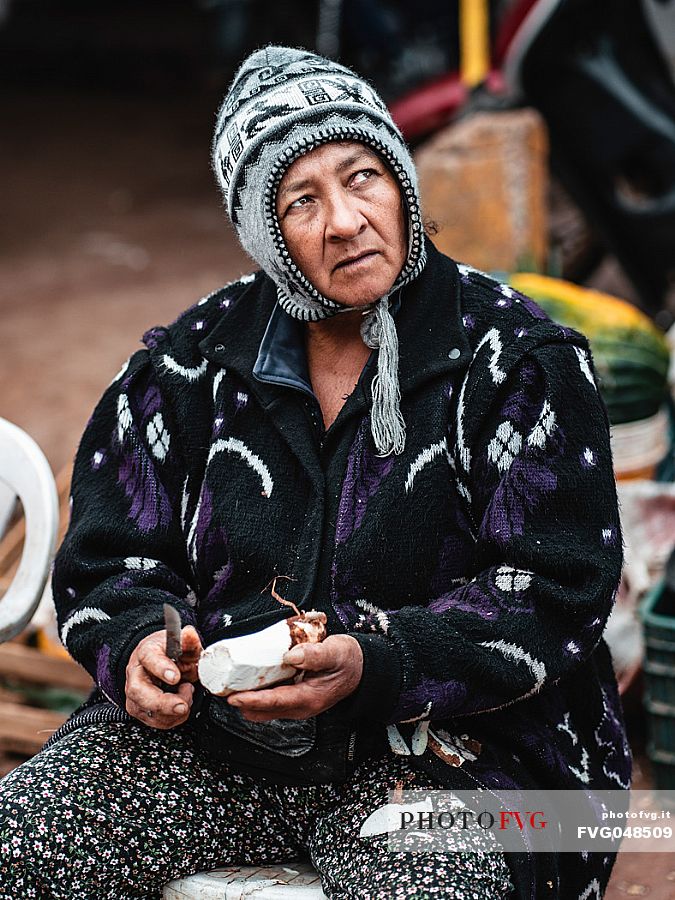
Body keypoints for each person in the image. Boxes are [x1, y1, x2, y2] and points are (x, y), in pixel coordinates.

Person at [0, 46, 631, 900]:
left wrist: (376, 665)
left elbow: (557, 587)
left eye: (362, 176)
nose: (345, 220)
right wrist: (135, 646)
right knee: (21, 844)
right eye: (302, 200)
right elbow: (107, 559)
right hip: (219, 749)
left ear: (402, 182)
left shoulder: (518, 362)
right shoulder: (187, 367)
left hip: (456, 760)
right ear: (265, 235)